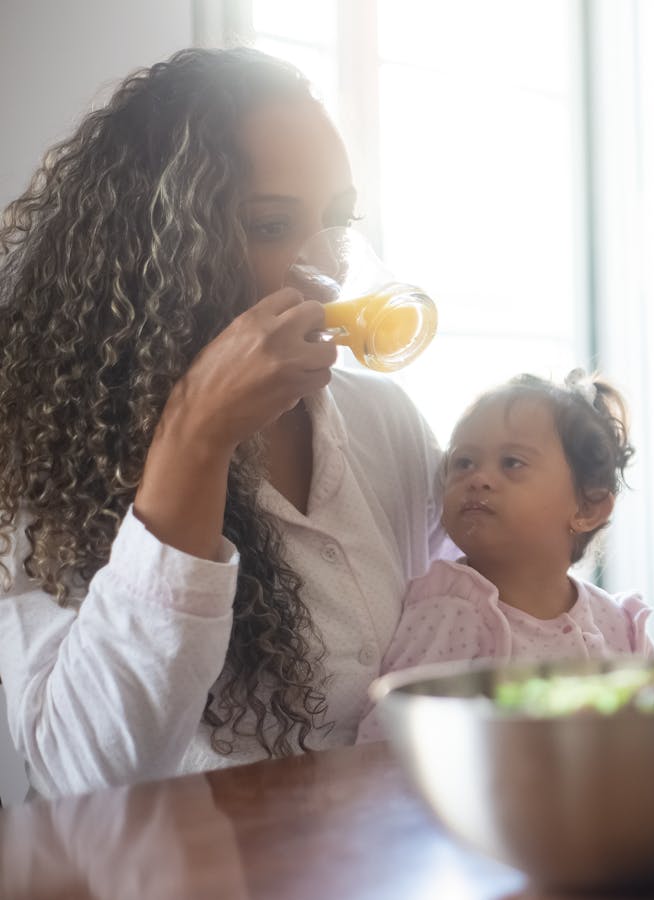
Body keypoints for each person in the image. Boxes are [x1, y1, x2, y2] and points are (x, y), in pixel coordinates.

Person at [0, 48, 448, 798]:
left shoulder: (385, 427)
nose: (324, 270)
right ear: (158, 251)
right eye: (272, 225)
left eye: (337, 222)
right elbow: (87, 775)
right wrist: (196, 438)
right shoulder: (36, 454)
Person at [356, 372, 650, 741]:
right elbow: (384, 747)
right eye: (463, 463)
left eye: (511, 463)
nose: (478, 479)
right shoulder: (449, 612)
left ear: (587, 507)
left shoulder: (620, 626)